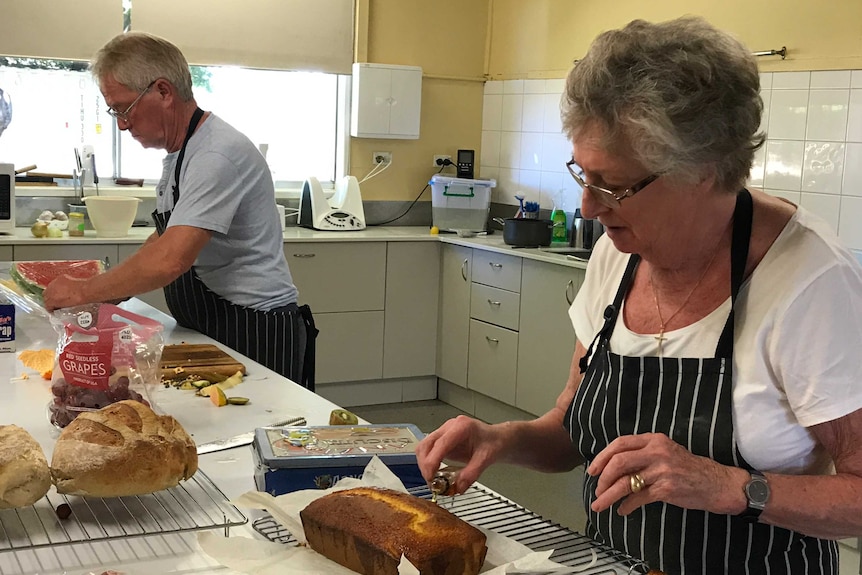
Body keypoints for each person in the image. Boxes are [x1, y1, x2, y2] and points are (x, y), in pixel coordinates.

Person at [416, 16, 862, 575]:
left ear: (701, 171)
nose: (588, 208)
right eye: (583, 175)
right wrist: (500, 439)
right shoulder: (619, 252)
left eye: (613, 185)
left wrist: (729, 487)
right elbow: (573, 430)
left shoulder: (809, 283)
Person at [42, 32, 317, 391]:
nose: (122, 124)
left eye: (124, 109)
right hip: (213, 324)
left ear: (163, 92)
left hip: (254, 329)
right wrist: (108, 296)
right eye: (115, 112)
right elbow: (166, 236)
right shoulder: (184, 151)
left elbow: (171, 259)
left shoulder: (215, 155)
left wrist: (84, 292)